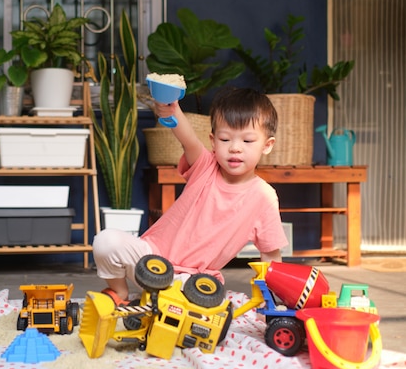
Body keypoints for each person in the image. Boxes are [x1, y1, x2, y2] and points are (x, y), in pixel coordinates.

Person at [93, 87, 289, 306]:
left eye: (247, 141)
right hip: (149, 262)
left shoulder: (264, 197)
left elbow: (271, 255)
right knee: (105, 241)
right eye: (225, 140)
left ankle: (156, 303)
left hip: (192, 279)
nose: (235, 148)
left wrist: (270, 301)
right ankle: (120, 294)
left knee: (193, 312)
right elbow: (188, 140)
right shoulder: (205, 166)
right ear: (213, 141)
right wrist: (172, 110)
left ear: (267, 145)